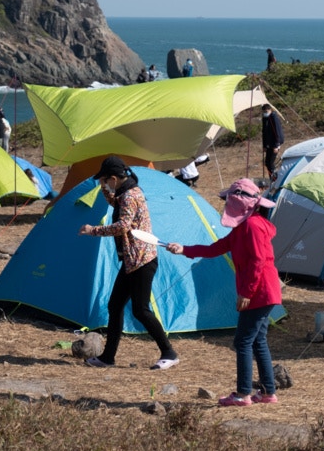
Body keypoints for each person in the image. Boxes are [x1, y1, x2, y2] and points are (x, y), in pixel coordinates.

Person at [165, 178, 281, 407]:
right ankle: (268, 392)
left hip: (260, 292)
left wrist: (246, 293)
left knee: (243, 342)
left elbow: (258, 262)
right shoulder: (242, 228)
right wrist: (183, 249)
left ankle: (243, 394)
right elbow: (215, 248)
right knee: (257, 341)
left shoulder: (252, 226)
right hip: (262, 292)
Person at [78, 156, 179, 370]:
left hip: (141, 260)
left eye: (106, 181)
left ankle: (169, 352)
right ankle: (108, 357)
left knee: (140, 309)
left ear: (114, 178)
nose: (105, 184)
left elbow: (122, 225)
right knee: (115, 306)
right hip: (133, 261)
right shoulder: (127, 191)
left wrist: (92, 231)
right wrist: (104, 189)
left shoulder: (130, 195)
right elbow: (117, 203)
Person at [261, 103, 284, 180]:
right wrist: (264, 145)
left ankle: (275, 178)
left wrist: (276, 145)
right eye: (264, 111)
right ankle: (272, 177)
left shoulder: (274, 117)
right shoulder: (265, 118)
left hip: (275, 144)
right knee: (267, 162)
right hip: (269, 144)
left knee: (270, 163)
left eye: (266, 111)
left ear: (270, 110)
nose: (265, 113)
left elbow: (277, 131)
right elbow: (264, 132)